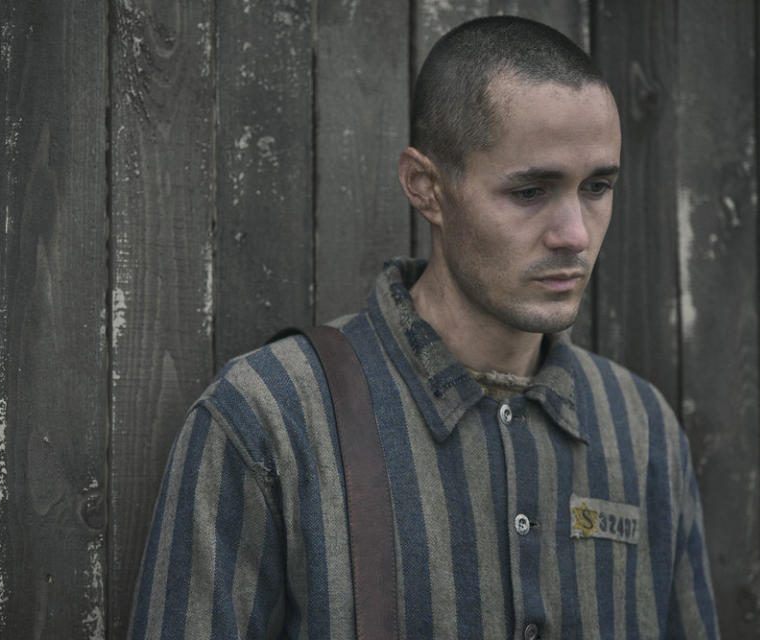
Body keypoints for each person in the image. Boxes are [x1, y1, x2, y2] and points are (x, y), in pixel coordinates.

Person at [129, 15, 719, 640]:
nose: (574, 234)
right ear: (426, 188)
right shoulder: (268, 418)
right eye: (530, 191)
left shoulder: (644, 429)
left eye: (597, 186)